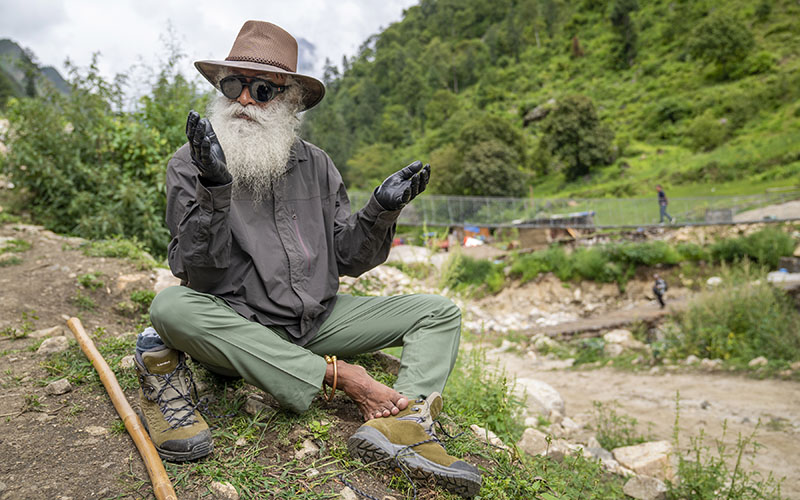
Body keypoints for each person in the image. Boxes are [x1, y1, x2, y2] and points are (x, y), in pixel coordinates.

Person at [132, 20, 481, 497]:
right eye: (233, 86)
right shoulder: (189, 163)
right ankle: (336, 377)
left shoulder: (317, 164)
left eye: (261, 89)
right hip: (240, 326)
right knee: (170, 308)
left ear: (290, 101)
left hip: (316, 318)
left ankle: (405, 423)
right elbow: (197, 270)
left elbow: (346, 257)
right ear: (221, 89)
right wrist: (215, 188)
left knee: (438, 313)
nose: (244, 102)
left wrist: (380, 210)